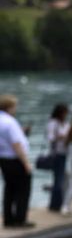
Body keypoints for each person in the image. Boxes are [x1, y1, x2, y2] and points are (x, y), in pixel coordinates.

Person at [0, 94, 34, 228]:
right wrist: (26, 163)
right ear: (9, 107)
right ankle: (20, 218)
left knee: (9, 189)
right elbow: (16, 144)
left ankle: (8, 219)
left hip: (3, 159)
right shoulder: (10, 121)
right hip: (15, 159)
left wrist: (21, 132)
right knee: (23, 190)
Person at [46, 103, 70, 212]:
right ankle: (56, 204)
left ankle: (56, 204)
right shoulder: (53, 123)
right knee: (58, 180)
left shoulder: (65, 123)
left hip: (64, 153)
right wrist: (62, 136)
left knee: (59, 179)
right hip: (57, 154)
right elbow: (50, 138)